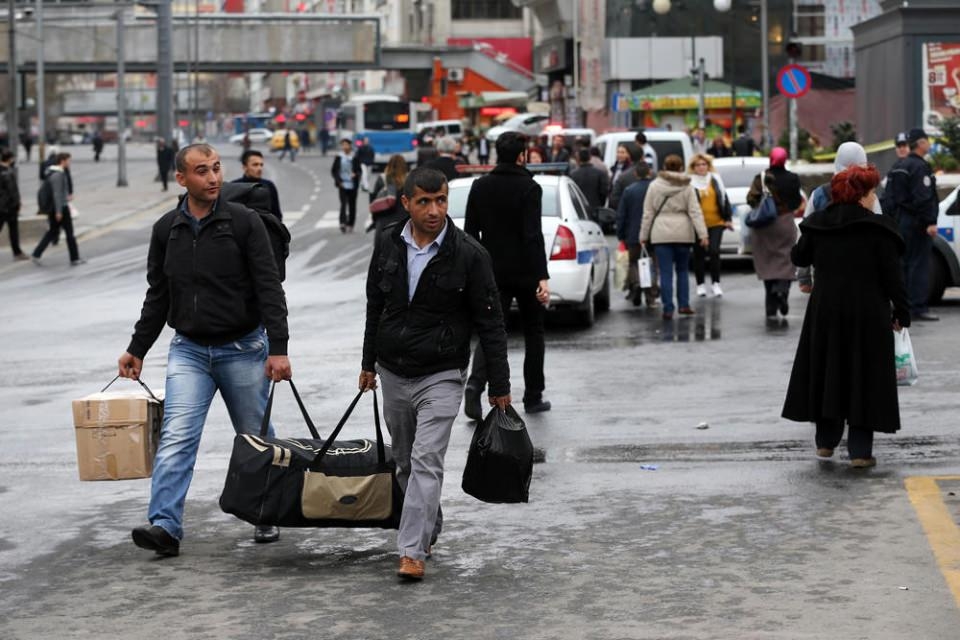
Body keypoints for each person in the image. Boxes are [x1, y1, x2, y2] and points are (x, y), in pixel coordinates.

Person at [118, 143, 292, 557]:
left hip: (244, 348)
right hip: (189, 351)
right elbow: (158, 295)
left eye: (216, 169)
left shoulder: (245, 223)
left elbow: (270, 287)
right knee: (177, 435)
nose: (213, 178)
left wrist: (278, 348)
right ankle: (164, 525)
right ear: (181, 179)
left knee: (256, 438)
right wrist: (137, 347)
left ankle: (266, 512)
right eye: (202, 171)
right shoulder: (167, 230)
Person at [359, 167, 511, 580]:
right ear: (405, 202)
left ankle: (411, 551)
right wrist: (367, 362)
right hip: (392, 370)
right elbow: (376, 303)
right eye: (424, 201)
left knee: (427, 460)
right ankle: (428, 527)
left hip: (441, 373)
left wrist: (499, 384)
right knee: (406, 462)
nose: (434, 209)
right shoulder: (388, 242)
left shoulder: (469, 254)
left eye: (441, 200)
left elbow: (491, 322)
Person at [782, 165, 910, 468]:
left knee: (829, 371)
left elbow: (799, 257)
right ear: (862, 195)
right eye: (871, 191)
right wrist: (902, 313)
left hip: (826, 311)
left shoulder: (818, 224)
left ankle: (825, 444)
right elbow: (894, 278)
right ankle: (860, 452)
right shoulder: (880, 228)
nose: (874, 196)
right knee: (863, 375)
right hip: (868, 312)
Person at [463, 131, 551, 418]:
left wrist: (476, 270)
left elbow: (471, 233)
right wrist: (542, 276)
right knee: (533, 333)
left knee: (491, 332)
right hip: (526, 272)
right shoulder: (530, 187)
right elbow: (532, 235)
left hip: (491, 272)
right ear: (521, 156)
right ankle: (534, 396)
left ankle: (474, 388)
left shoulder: (480, 186)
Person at [639, 154, 708, 319]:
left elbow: (648, 213)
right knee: (683, 271)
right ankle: (684, 305)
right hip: (683, 232)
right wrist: (703, 234)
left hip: (661, 233)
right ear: (680, 168)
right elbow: (695, 212)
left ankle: (668, 308)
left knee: (665, 272)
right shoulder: (687, 186)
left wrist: (643, 235)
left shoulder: (654, 186)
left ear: (664, 167)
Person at [799, 142, 873, 293]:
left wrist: (804, 277)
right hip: (861, 274)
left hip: (825, 273)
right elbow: (881, 237)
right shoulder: (869, 195)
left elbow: (804, 235)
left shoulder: (819, 194)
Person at [884, 128, 940, 322]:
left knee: (905, 265)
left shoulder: (900, 167)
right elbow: (923, 198)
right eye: (927, 141)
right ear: (921, 143)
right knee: (918, 265)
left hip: (902, 221)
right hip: (916, 222)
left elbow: (889, 198)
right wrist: (930, 221)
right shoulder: (919, 167)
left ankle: (904, 306)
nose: (929, 144)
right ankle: (918, 307)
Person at [746, 147, 804, 320]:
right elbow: (796, 202)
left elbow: (750, 200)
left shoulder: (761, 178)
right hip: (785, 222)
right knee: (786, 258)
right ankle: (782, 291)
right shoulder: (793, 178)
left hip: (763, 226)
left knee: (767, 260)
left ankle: (770, 306)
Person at [688, 153, 733, 298]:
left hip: (716, 222)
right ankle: (700, 284)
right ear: (693, 168)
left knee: (714, 251)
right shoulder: (690, 182)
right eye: (698, 165)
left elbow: (724, 198)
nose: (701, 167)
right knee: (698, 254)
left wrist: (728, 218)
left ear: (708, 166)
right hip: (698, 225)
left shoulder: (715, 179)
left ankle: (716, 283)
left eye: (704, 164)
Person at [615, 161, 657, 307]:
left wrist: (620, 235)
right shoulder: (655, 189)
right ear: (649, 173)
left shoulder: (629, 191)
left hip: (632, 234)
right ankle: (651, 297)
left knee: (633, 263)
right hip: (654, 234)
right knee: (652, 264)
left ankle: (636, 284)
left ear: (635, 174)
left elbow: (622, 215)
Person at [31, 153, 84, 266]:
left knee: (53, 231)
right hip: (60, 208)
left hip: (58, 207)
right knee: (69, 233)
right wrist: (59, 211)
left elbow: (60, 192)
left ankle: (36, 253)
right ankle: (75, 258)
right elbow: (57, 194)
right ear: (62, 161)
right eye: (68, 160)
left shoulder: (55, 173)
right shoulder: (57, 175)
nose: (69, 163)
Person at [368, 153, 409, 242]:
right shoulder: (409, 180)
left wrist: (375, 220)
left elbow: (374, 201)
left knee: (382, 252)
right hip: (404, 221)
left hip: (384, 221)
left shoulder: (382, 179)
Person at [233, 149, 283, 220]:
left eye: (261, 165)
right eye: (255, 165)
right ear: (244, 167)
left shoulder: (269, 186)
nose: (259, 168)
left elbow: (277, 214)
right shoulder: (234, 187)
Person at [0, 148, 28, 261]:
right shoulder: (7, 172)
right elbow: (12, 190)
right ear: (10, 159)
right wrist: (17, 202)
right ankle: (17, 252)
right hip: (8, 206)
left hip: (2, 206)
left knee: (11, 230)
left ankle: (17, 252)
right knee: (13, 231)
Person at [331, 138, 361, 233]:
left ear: (350, 146)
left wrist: (355, 174)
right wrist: (338, 181)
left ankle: (351, 223)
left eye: (346, 145)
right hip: (342, 184)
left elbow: (359, 170)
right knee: (343, 204)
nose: (344, 147)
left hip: (352, 185)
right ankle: (342, 223)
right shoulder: (339, 157)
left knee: (352, 205)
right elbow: (334, 170)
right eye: (343, 145)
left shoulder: (354, 157)